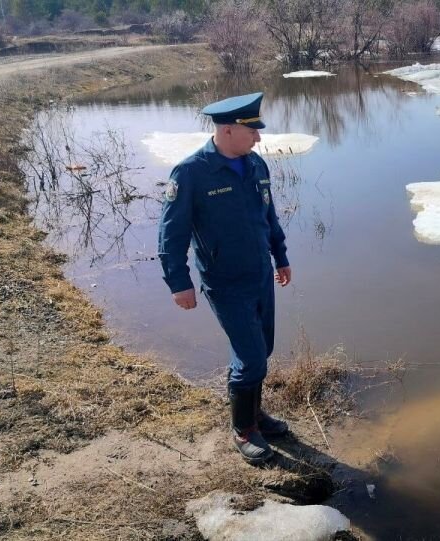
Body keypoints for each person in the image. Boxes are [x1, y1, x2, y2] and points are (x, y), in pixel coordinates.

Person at [157, 92, 291, 465]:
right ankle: (243, 430)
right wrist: (179, 283)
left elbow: (269, 218)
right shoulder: (191, 173)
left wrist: (280, 257)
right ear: (228, 130)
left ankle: (255, 414)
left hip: (260, 274)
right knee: (250, 357)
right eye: (252, 132)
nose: (258, 139)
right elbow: (171, 234)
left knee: (261, 349)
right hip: (225, 282)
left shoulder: (256, 165)